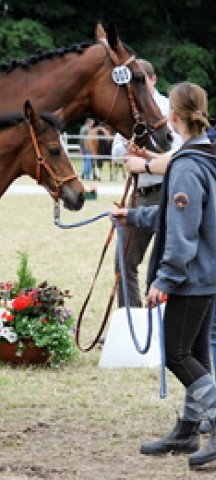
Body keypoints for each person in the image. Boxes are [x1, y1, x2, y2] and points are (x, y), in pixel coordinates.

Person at [112, 82, 216, 469]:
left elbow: (184, 231)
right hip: (206, 273)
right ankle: (189, 429)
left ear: (173, 117)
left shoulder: (187, 165)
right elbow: (178, 217)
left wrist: (166, 279)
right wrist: (133, 216)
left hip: (192, 276)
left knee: (177, 355)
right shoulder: (203, 157)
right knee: (198, 354)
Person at [115, 59, 182, 308]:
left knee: (162, 264)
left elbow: (178, 152)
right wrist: (126, 147)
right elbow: (114, 153)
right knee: (124, 261)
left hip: (166, 190)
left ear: (153, 80)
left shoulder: (168, 108)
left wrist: (145, 158)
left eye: (141, 80)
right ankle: (130, 322)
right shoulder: (130, 110)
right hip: (139, 192)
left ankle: (160, 324)